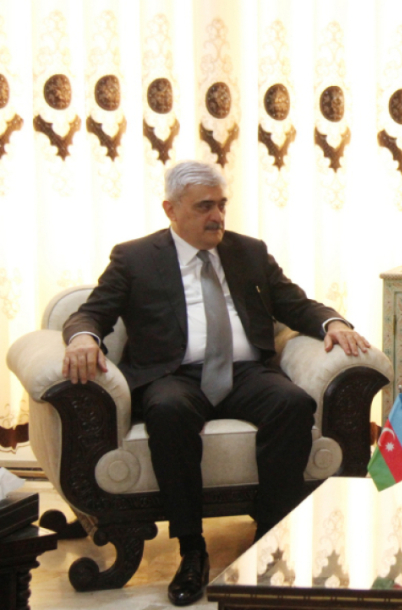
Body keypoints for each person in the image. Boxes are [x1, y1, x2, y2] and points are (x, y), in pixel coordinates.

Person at [61, 161, 370, 607]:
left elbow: (294, 304)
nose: (217, 216)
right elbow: (92, 313)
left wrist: (333, 323)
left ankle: (271, 539)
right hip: (172, 375)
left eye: (222, 205)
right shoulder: (135, 258)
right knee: (168, 412)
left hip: (245, 373)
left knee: (292, 403)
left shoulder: (249, 252)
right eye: (204, 207)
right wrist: (83, 338)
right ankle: (192, 550)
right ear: (171, 209)